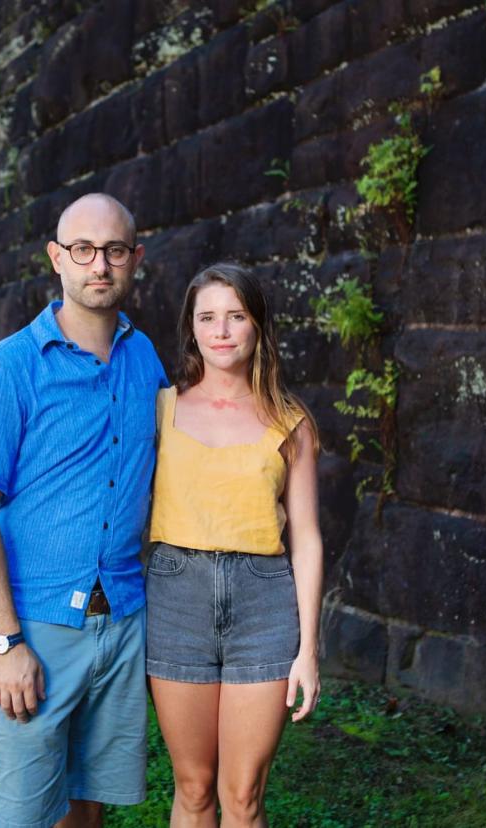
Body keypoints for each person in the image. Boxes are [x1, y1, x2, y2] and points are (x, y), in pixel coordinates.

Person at [0, 193, 166, 828]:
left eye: (114, 250)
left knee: (87, 807)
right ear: (57, 258)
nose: (98, 265)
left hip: (122, 622)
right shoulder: (10, 367)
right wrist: (7, 641)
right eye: (82, 250)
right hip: (37, 629)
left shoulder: (145, 359)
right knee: (24, 818)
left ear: (136, 258)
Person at [145, 262, 323, 827]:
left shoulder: (291, 423)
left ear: (257, 327)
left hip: (263, 605)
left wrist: (309, 651)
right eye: (207, 317)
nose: (221, 330)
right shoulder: (160, 410)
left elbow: (309, 539)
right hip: (176, 599)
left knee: (243, 795)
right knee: (195, 787)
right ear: (192, 328)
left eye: (236, 316)